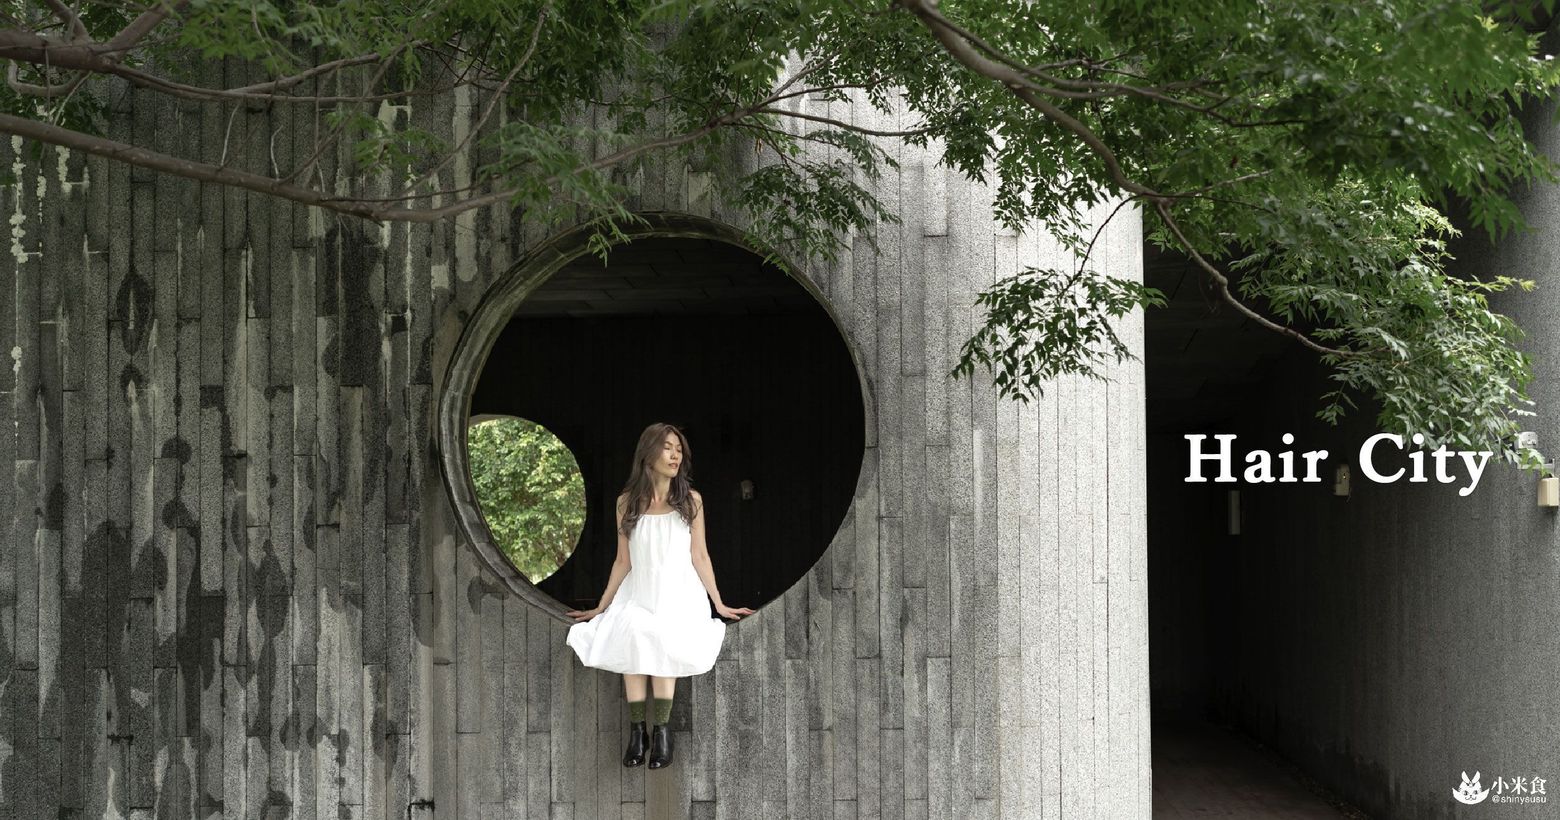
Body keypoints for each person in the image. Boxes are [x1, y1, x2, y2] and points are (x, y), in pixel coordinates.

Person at [565, 422, 754, 769]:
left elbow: (700, 555)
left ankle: (661, 731)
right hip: (639, 592)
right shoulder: (626, 503)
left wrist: (718, 603)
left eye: (679, 449)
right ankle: (638, 731)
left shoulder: (691, 501)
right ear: (648, 453)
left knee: (664, 633)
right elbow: (623, 561)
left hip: (680, 594)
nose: (675, 455)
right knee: (632, 630)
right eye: (668, 447)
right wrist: (601, 606)